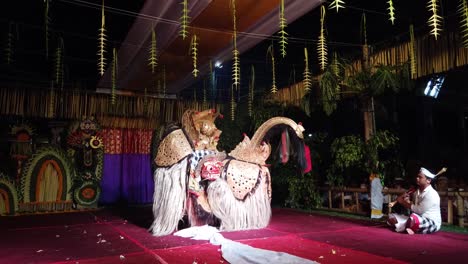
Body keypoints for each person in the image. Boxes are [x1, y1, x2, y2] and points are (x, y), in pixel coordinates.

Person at [387, 167, 441, 235]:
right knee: (391, 216)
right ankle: (408, 227)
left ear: (428, 180)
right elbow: (414, 207)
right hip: (416, 217)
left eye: (420, 177)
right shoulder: (416, 192)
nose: (417, 178)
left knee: (414, 219)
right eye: (417, 176)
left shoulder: (432, 194)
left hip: (431, 222)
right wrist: (407, 201)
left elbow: (419, 210)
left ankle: (404, 226)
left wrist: (403, 202)